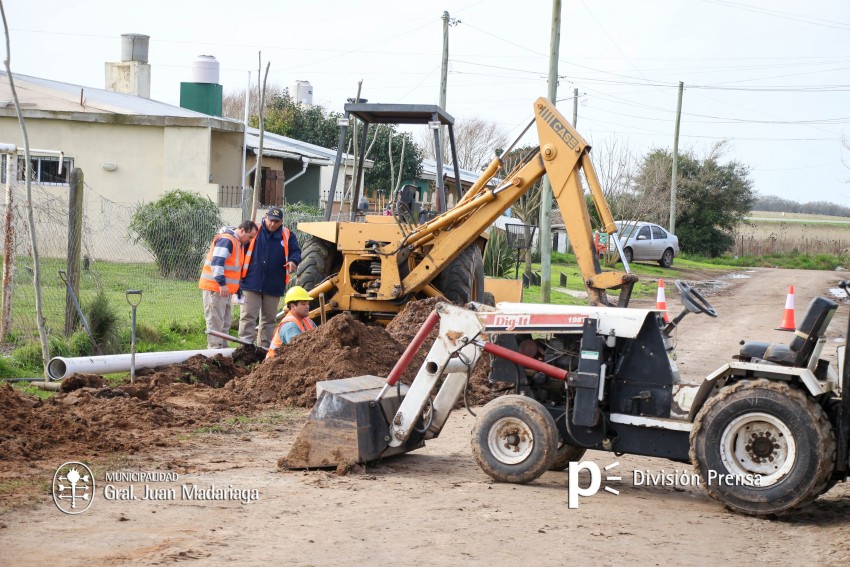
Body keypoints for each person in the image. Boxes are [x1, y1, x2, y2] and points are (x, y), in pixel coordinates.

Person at [238, 207, 302, 347]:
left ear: (281, 222)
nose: (272, 224)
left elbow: (296, 251)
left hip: (274, 285)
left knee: (268, 320)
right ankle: (244, 348)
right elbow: (241, 246)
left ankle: (264, 349)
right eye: (270, 220)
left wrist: (293, 261)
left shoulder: (287, 235)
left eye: (276, 222)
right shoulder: (255, 231)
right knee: (248, 317)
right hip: (251, 282)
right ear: (265, 217)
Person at [198, 220, 258, 348]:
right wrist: (222, 283)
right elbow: (217, 263)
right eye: (250, 236)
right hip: (216, 288)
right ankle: (214, 352)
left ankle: (222, 352)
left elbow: (232, 269)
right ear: (242, 230)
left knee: (224, 322)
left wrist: (235, 288)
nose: (250, 240)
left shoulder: (237, 242)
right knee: (215, 322)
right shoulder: (227, 240)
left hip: (224, 290)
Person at [265, 286, 317, 359]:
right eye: (303, 304)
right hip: (275, 365)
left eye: (308, 303)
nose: (308, 306)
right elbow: (299, 351)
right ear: (293, 306)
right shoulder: (289, 326)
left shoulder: (307, 321)